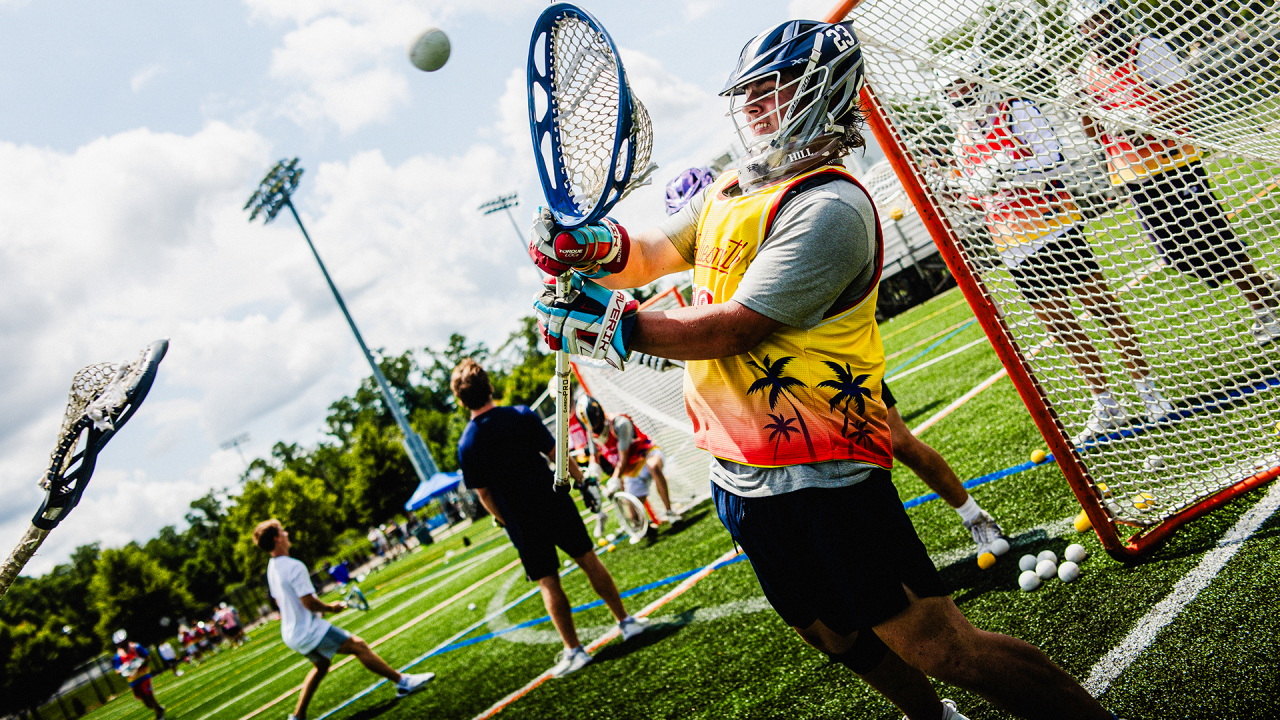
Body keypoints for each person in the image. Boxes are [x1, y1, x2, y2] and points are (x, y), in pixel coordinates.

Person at [531, 19, 1117, 719]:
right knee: (839, 637)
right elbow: (651, 253)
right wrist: (591, 246)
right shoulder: (729, 189)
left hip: (823, 474)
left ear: (823, 92)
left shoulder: (830, 205)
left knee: (940, 647)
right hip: (737, 475)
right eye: (748, 90)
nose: (755, 104)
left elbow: (734, 327)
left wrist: (610, 326)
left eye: (774, 88)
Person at [667, 162, 1008, 556]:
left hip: (825, 367)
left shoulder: (767, 227)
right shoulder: (707, 266)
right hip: (774, 396)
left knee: (897, 443)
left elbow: (743, 324)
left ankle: (972, 515)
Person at [938, 54, 1175, 445]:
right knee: (1062, 327)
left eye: (964, 83)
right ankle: (1106, 401)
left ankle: (1147, 388)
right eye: (952, 90)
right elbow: (982, 199)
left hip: (1055, 225)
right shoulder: (962, 139)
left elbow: (1054, 159)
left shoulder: (1016, 109)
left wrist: (1006, 168)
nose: (960, 94)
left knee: (1102, 308)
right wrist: (958, 193)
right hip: (1013, 243)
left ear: (979, 78)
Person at [1064, 0, 1280, 346]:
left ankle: (1264, 306)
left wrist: (1143, 119)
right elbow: (1094, 135)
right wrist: (1080, 107)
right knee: (1180, 256)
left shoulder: (1145, 48)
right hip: (1132, 174)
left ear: (1114, 16)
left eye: (1099, 18)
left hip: (1174, 163)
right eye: (1086, 25)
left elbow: (1186, 99)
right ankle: (1264, 284)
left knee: (1214, 238)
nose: (1095, 29)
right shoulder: (1087, 69)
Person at [451, 359, 648, 678]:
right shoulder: (520, 415)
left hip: (519, 518)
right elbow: (557, 453)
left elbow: (484, 494)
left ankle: (574, 650)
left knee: (548, 581)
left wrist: (504, 520)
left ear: (461, 400)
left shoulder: (467, 443)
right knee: (588, 559)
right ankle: (626, 622)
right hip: (552, 499)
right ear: (489, 387)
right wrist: (582, 482)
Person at [253, 519, 435, 720]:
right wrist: (331, 608)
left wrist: (314, 611)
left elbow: (282, 602)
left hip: (291, 633)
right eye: (282, 531)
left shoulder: (273, 567)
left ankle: (298, 717)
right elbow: (309, 603)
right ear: (277, 539)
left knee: (321, 666)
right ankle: (403, 683)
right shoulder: (294, 566)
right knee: (359, 646)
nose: (287, 533)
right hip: (308, 630)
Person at [575, 393, 683, 528]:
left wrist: (614, 479)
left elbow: (623, 458)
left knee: (653, 466)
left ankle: (669, 511)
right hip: (631, 470)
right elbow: (594, 456)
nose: (596, 428)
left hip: (646, 454)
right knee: (635, 520)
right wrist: (593, 474)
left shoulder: (620, 423)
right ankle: (647, 527)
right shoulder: (591, 433)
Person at [112, 630, 166, 719]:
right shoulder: (118, 656)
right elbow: (117, 670)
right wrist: (124, 670)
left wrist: (140, 663)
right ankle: (159, 709)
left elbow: (147, 657)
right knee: (146, 702)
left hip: (143, 675)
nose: (122, 644)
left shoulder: (136, 647)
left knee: (149, 696)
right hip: (133, 680)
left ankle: (159, 715)